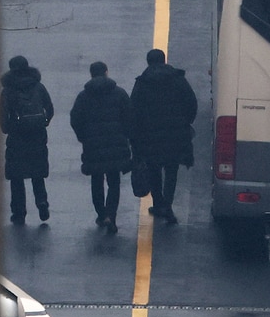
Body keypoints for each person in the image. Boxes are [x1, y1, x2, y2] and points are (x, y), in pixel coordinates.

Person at [130, 48, 197, 225]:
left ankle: (158, 202)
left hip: (150, 135)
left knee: (154, 169)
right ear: (164, 60)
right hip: (175, 133)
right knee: (171, 169)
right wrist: (184, 122)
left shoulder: (143, 82)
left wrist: (136, 135)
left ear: (148, 62)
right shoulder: (178, 79)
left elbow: (133, 110)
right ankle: (168, 205)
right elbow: (191, 102)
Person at [69, 61, 132, 235]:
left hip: (93, 145)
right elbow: (129, 117)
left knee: (96, 180)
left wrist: (83, 137)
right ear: (106, 72)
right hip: (116, 144)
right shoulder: (119, 93)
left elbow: (75, 119)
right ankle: (111, 215)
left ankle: (101, 213)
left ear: (91, 74)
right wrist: (125, 136)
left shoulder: (83, 96)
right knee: (114, 181)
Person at [0, 55, 54, 224]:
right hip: (37, 135)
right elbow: (49, 108)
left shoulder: (8, 90)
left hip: (17, 137)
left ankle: (19, 212)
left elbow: (2, 113)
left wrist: (7, 128)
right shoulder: (38, 86)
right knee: (37, 173)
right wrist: (44, 122)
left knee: (17, 176)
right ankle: (42, 202)